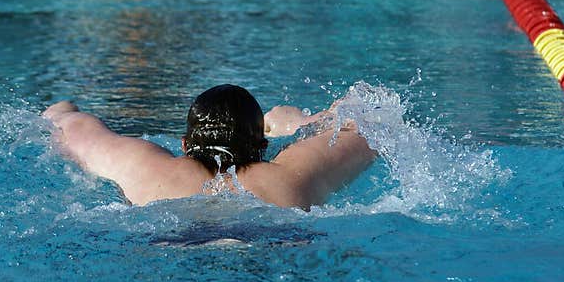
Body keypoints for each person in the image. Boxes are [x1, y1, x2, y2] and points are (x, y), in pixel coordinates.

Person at [42, 84, 376, 210]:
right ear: (262, 147)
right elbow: (371, 118)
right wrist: (297, 124)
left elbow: (64, 124)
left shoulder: (145, 168)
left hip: (170, 250)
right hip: (273, 251)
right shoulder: (292, 176)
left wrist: (64, 109)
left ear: (185, 144)